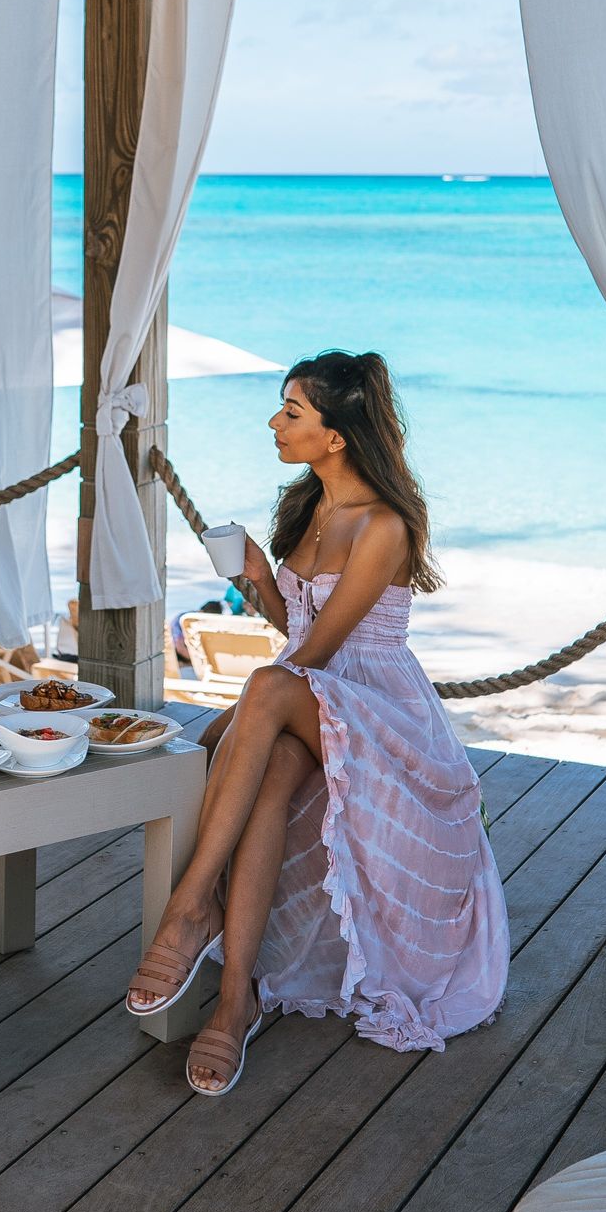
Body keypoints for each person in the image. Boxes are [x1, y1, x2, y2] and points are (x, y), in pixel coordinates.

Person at [126, 350, 510, 1095]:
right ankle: (236, 1001)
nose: (275, 421)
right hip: (309, 692)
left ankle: (190, 906)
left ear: (336, 435)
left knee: (265, 693)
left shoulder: (384, 526)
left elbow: (320, 653)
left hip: (375, 705)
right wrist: (261, 581)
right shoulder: (307, 506)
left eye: (292, 411)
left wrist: (245, 711)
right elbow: (294, 633)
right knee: (268, 777)